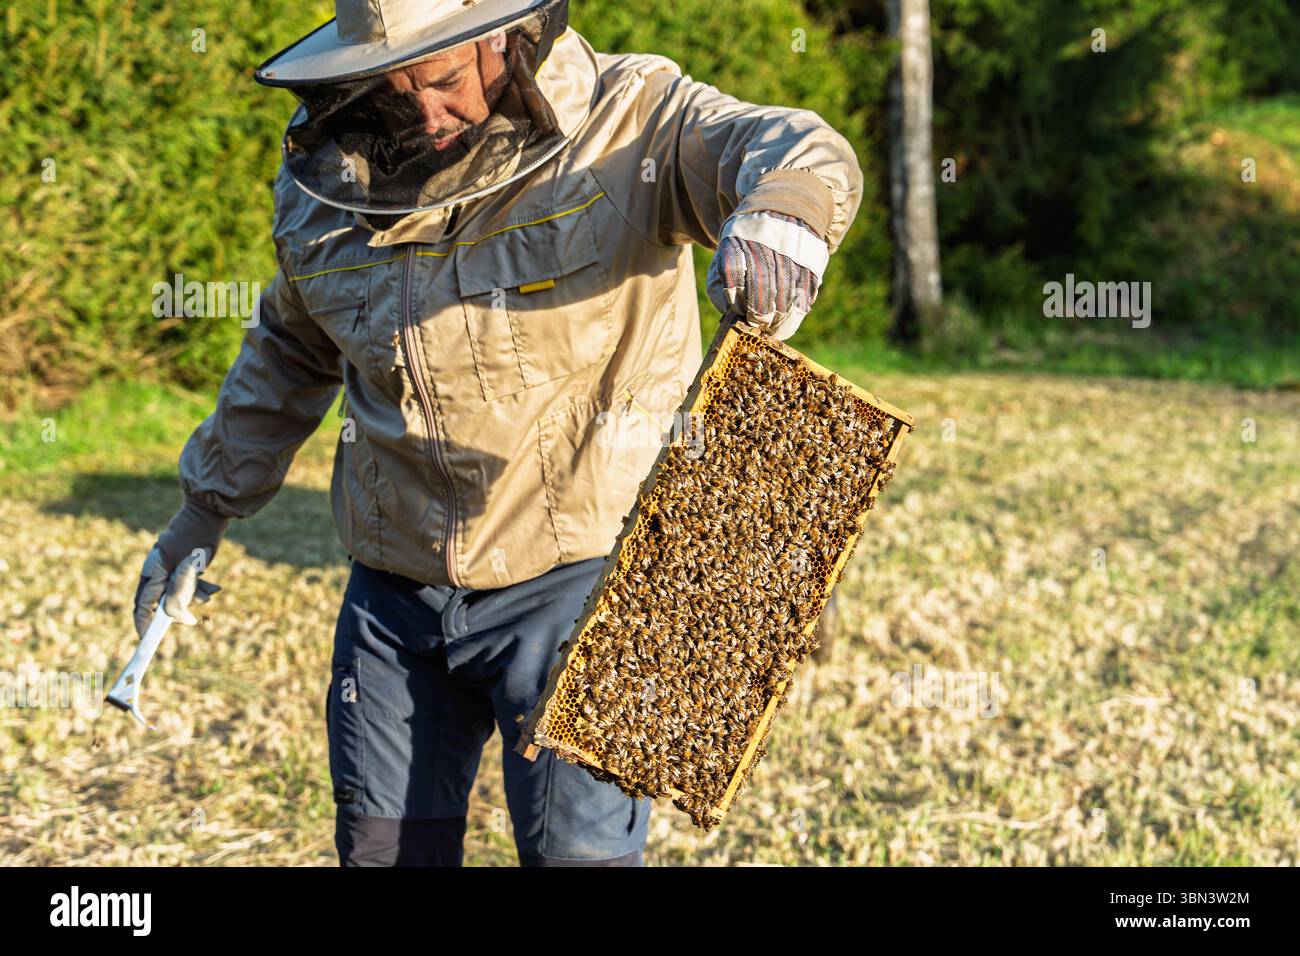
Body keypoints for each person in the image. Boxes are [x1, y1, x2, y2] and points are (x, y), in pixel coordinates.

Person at [134, 0, 863, 866]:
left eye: (444, 80)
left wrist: (784, 210)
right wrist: (203, 508)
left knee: (576, 856)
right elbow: (291, 350)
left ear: (503, 38)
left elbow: (791, 145)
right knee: (381, 852)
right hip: (393, 593)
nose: (428, 116)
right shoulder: (326, 190)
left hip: (586, 587)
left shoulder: (630, 123)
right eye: (394, 94)